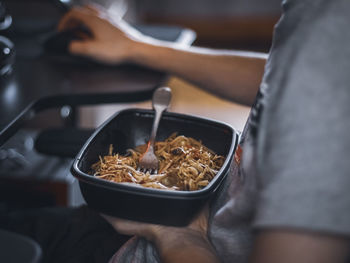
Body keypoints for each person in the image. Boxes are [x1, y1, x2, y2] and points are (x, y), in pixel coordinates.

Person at [4, 1, 350, 262]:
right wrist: (137, 47)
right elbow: (288, 79)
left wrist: (180, 239)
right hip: (175, 222)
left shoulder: (326, 31)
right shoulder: (320, 34)